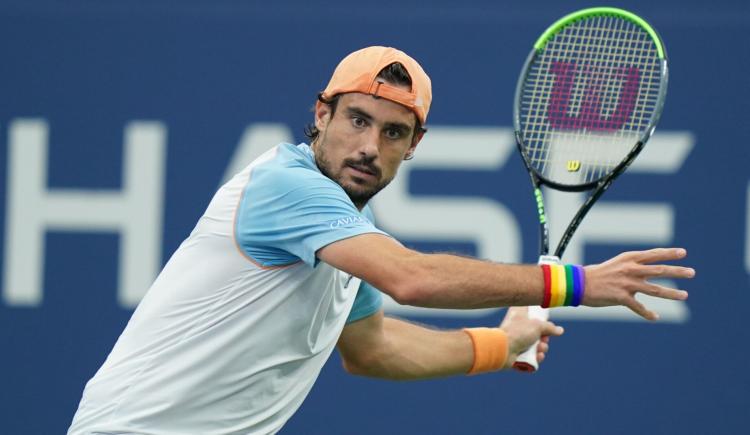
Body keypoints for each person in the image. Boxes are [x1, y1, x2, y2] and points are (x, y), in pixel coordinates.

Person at [68, 46, 694, 434]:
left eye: (393, 132)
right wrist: (575, 284)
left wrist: (500, 345)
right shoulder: (288, 187)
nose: (370, 146)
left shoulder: (344, 237)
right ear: (322, 115)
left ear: (413, 146)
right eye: (357, 120)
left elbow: (372, 347)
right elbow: (412, 278)